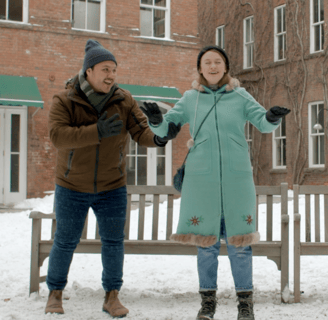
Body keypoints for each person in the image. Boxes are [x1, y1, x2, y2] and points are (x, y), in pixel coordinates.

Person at [141, 45, 290, 320]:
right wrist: (155, 120)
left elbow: (263, 123)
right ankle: (207, 303)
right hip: (201, 180)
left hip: (237, 179)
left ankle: (245, 304)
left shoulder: (240, 96)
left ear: (226, 67)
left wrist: (272, 117)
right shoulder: (189, 99)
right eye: (207, 62)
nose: (212, 66)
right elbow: (168, 129)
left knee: (241, 245)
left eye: (217, 62)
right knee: (206, 246)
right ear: (200, 68)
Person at [45, 39, 180, 318]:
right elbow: (58, 137)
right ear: (89, 71)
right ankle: (55, 293)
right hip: (72, 185)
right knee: (65, 241)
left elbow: (141, 132)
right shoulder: (65, 99)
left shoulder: (123, 99)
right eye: (105, 69)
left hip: (111, 186)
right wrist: (96, 131)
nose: (111, 76)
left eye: (114, 70)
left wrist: (159, 135)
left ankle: (112, 296)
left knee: (113, 241)